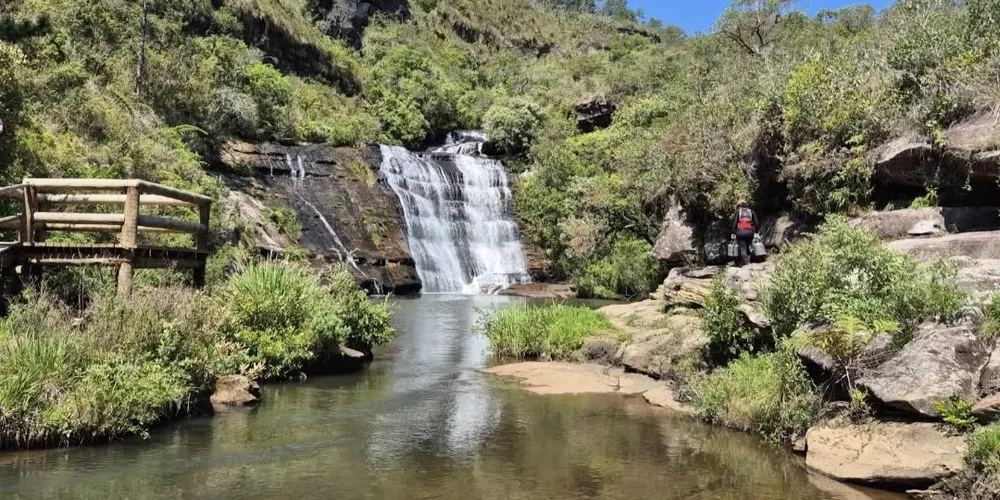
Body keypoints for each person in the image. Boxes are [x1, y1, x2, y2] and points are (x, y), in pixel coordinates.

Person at [730, 199, 758, 267]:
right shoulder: (751, 212)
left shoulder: (738, 212)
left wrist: (733, 233)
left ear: (739, 206)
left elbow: (735, 223)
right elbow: (756, 223)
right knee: (747, 247)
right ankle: (747, 262)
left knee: (742, 248)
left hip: (741, 232)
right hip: (750, 232)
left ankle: (746, 264)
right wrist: (756, 232)